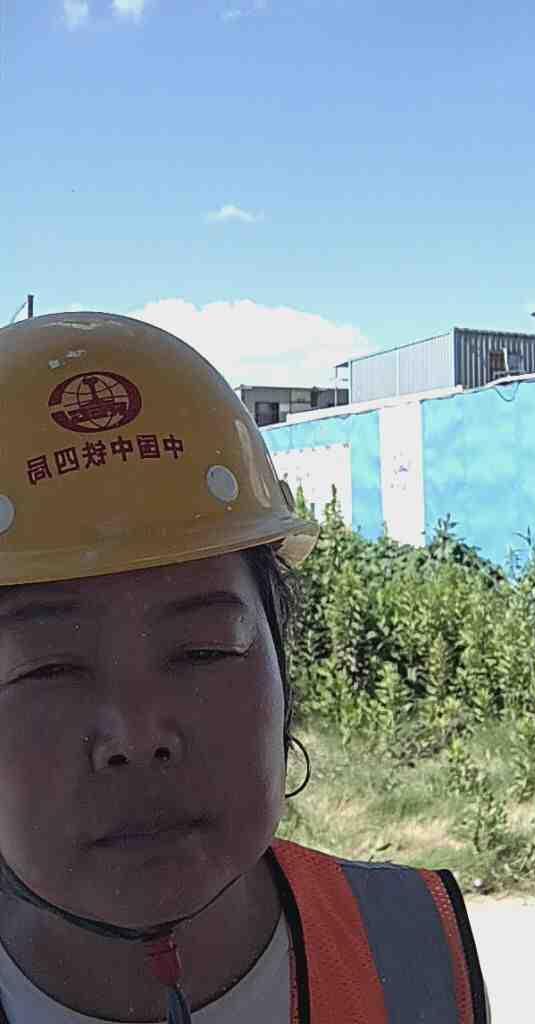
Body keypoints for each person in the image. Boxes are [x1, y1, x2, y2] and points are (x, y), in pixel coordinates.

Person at [0, 311, 491, 1023]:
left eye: (204, 650)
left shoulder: (413, 950)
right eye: (46, 668)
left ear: (281, 663)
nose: (138, 735)